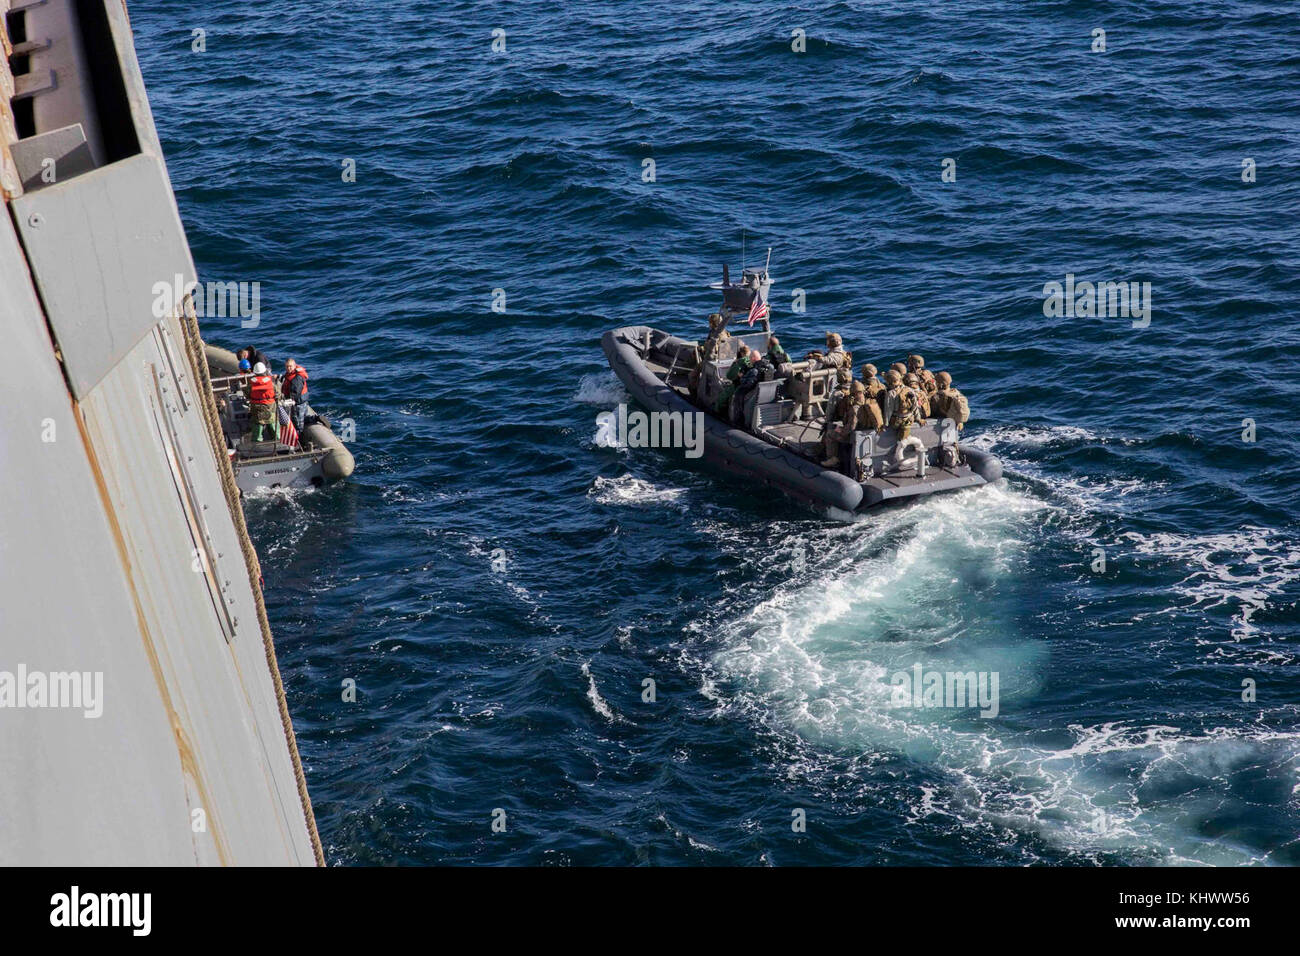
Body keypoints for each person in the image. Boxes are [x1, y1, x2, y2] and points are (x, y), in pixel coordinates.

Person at [714, 348, 756, 415]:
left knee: (722, 397)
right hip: (752, 387)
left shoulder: (739, 363)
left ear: (742, 353)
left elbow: (729, 376)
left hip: (738, 386)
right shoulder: (754, 361)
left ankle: (718, 413)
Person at [246, 362, 279, 443]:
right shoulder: (271, 383)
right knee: (273, 425)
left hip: (256, 410)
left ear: (255, 373)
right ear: (264, 372)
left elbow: (248, 394)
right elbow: (277, 394)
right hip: (270, 408)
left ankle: (257, 443)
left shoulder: (251, 384)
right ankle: (277, 440)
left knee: (257, 426)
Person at [882, 369, 917, 438]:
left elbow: (888, 410)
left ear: (889, 382)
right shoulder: (910, 390)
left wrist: (885, 424)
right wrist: (918, 418)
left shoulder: (890, 393)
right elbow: (915, 406)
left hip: (897, 421)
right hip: (909, 419)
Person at [281, 358, 310, 431]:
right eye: (287, 366)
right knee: (302, 418)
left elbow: (296, 392)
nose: (288, 368)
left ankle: (299, 436)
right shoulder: (290, 374)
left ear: (294, 366)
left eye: (290, 366)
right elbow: (286, 379)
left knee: (298, 422)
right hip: (301, 401)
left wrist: (291, 400)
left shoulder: (297, 378)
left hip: (298, 403)